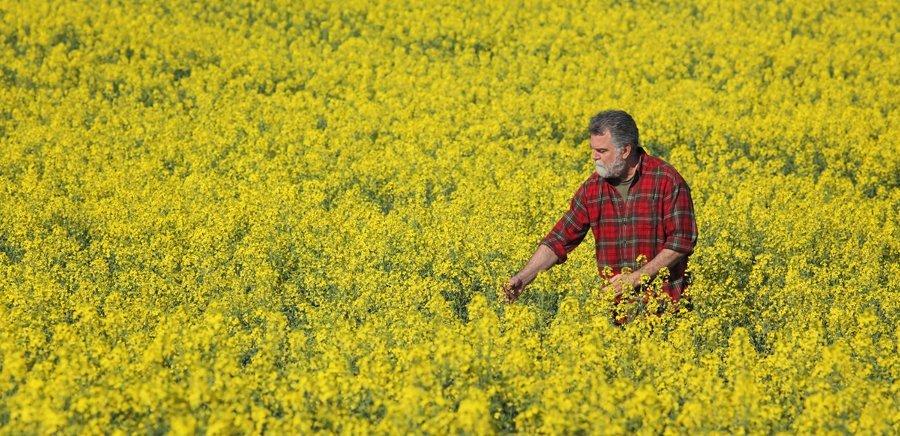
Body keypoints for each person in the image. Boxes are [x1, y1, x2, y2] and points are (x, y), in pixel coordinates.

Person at [502, 110, 698, 321]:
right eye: (593, 150)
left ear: (625, 150)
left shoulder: (666, 180)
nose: (594, 157)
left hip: (665, 310)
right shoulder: (592, 189)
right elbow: (559, 239)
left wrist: (635, 279)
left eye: (602, 150)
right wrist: (524, 277)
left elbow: (681, 242)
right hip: (617, 314)